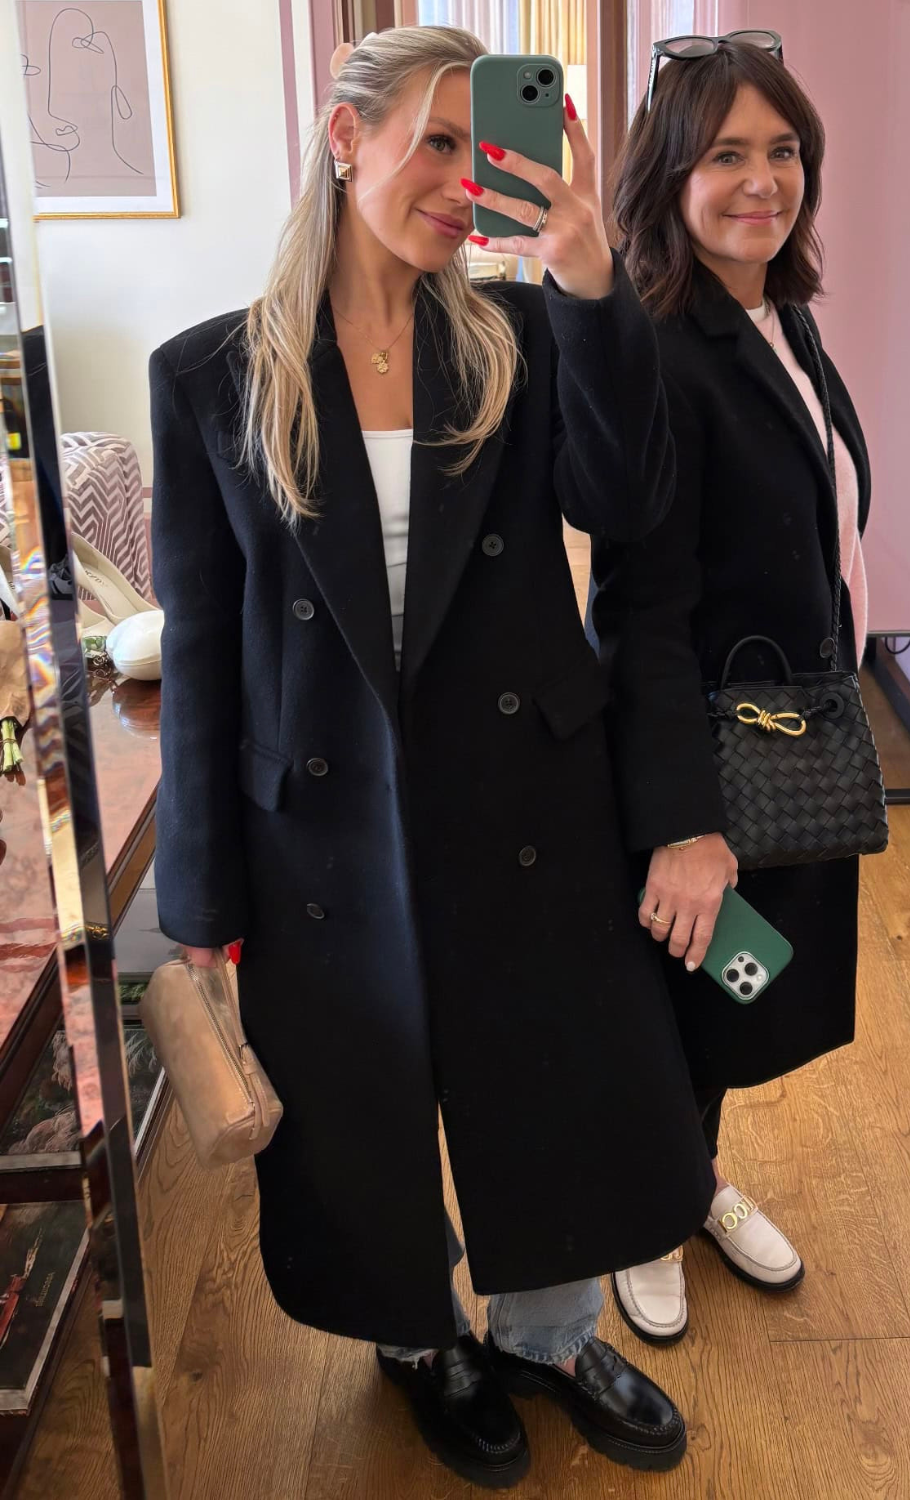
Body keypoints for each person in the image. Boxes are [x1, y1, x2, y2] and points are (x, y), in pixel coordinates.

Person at [150, 25, 715, 1488]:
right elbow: (204, 651)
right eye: (440, 142)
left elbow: (628, 502)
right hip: (321, 826)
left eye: (496, 145)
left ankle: (549, 1329)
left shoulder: (523, 338)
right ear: (347, 140)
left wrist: (590, 273)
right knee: (360, 1106)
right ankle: (420, 1337)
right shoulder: (213, 375)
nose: (470, 182)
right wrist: (203, 900)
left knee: (554, 1070)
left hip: (528, 789)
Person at [590, 34, 870, 1346]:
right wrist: (680, 825)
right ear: (671, 175)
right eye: (727, 157)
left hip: (790, 741)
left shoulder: (781, 315)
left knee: (737, 987)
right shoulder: (659, 346)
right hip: (706, 763)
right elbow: (641, 612)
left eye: (783, 151)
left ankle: (686, 1180)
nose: (764, 181)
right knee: (682, 986)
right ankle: (645, 1207)